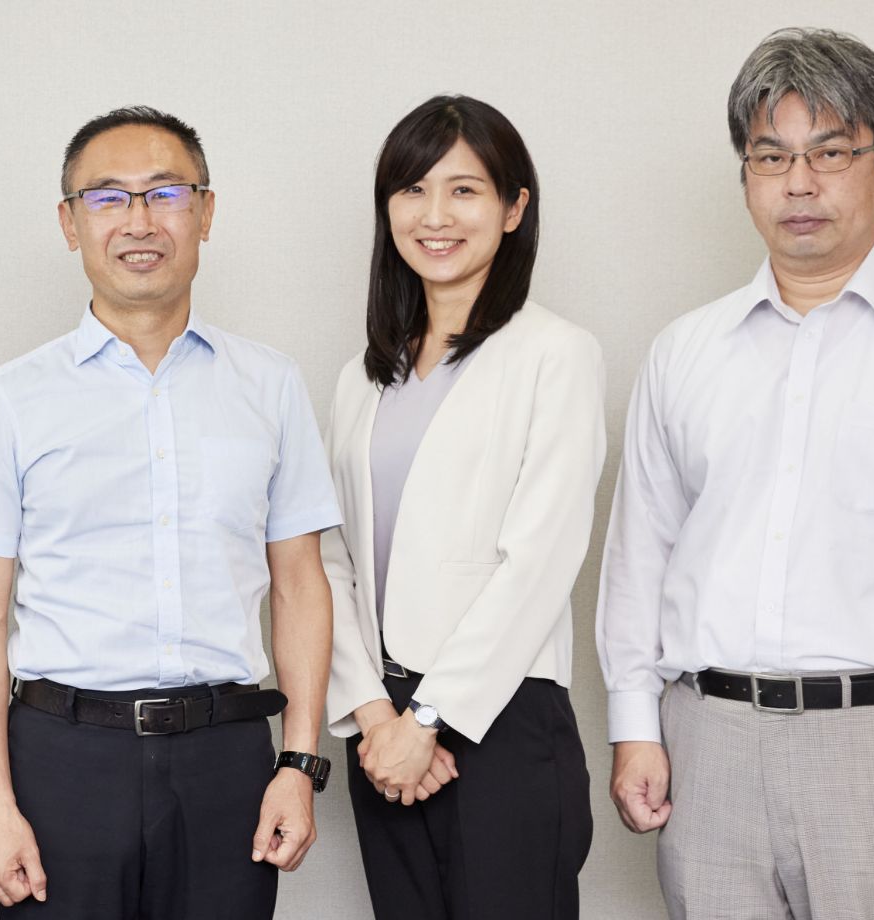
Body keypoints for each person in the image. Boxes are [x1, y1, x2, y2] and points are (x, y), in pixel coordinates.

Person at [596, 27, 874, 920]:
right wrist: (633, 725)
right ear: (746, 176)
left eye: (829, 152)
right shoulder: (685, 352)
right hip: (707, 744)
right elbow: (638, 555)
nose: (798, 184)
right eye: (771, 156)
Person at [0, 105, 342, 920]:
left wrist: (298, 766)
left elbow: (301, 586)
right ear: (69, 222)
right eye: (107, 198)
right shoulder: (12, 399)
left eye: (165, 193)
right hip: (63, 759)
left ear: (205, 211)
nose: (138, 220)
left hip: (227, 756)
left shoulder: (270, 387)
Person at [321, 94, 602, 919]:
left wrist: (431, 720)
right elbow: (329, 562)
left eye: (465, 190)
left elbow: (540, 562)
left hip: (503, 723)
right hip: (385, 733)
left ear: (515, 208)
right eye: (411, 190)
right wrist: (379, 718)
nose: (434, 215)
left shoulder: (556, 355)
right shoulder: (361, 378)